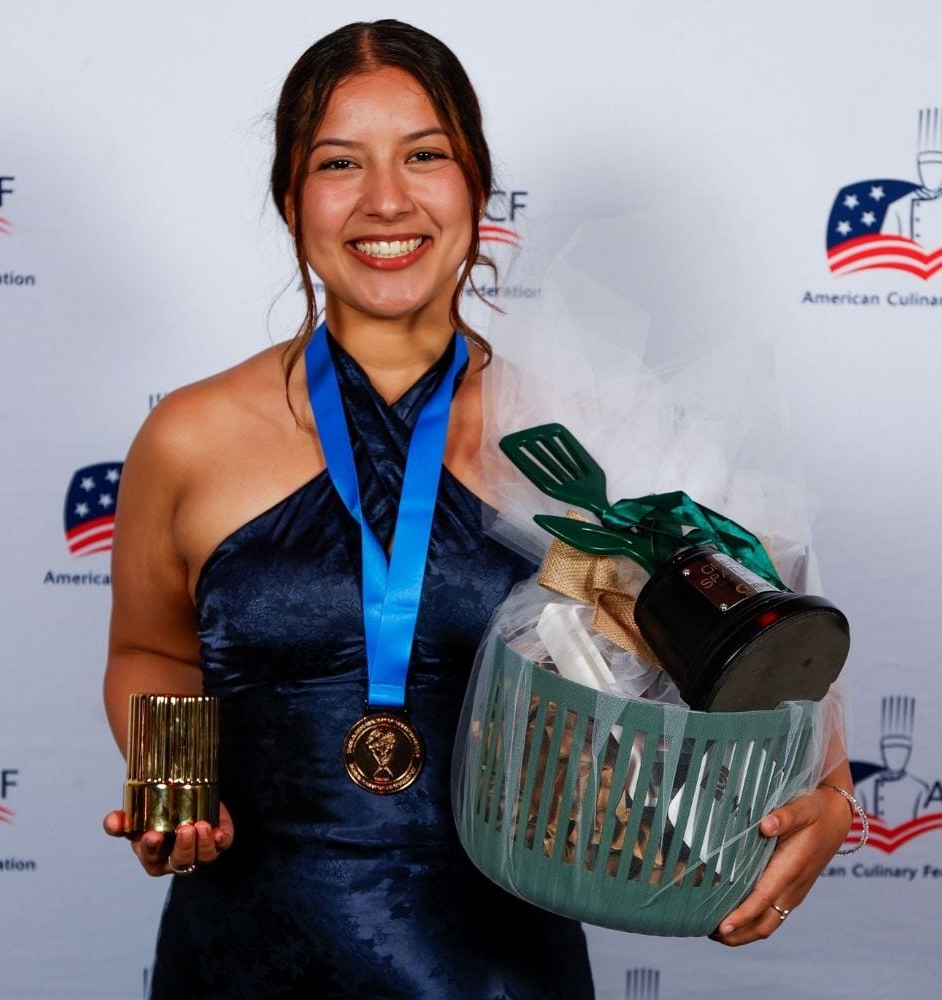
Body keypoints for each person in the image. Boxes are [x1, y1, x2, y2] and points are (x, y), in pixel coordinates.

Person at [102, 18, 857, 998]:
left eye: (425, 155)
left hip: (498, 969)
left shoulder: (583, 440)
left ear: (477, 188)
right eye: (339, 163)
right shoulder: (188, 437)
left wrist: (829, 798)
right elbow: (152, 648)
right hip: (241, 958)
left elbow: (763, 670)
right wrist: (173, 781)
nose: (386, 199)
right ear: (290, 197)